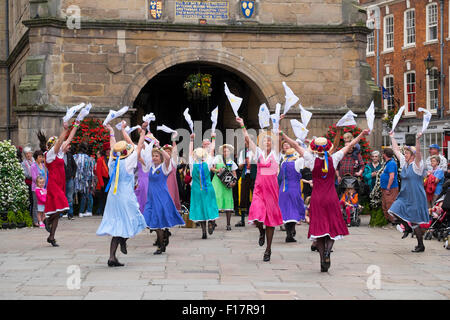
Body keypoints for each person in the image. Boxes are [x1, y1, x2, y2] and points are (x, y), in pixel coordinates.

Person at [281, 128, 370, 272]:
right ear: (328, 148)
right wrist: (361, 134)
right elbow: (349, 145)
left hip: (316, 198)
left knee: (319, 229)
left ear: (315, 149)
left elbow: (296, 146)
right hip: (331, 198)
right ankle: (328, 251)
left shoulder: (310, 159)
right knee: (332, 227)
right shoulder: (333, 159)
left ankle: (322, 257)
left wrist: (282, 134)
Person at [96, 122, 147, 267]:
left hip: (113, 197)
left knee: (118, 224)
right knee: (135, 220)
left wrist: (112, 131)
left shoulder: (112, 160)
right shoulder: (129, 161)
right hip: (125, 196)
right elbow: (138, 148)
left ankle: (112, 257)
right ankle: (124, 240)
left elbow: (113, 146)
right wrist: (142, 132)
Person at [235, 116, 284, 262]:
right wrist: (243, 125)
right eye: (264, 141)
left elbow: (279, 140)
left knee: (270, 221)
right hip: (259, 189)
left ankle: (268, 249)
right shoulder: (258, 153)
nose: (267, 142)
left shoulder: (276, 154)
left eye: (269, 140)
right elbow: (248, 140)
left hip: (272, 191)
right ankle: (261, 232)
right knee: (256, 214)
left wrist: (278, 123)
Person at [139, 124, 185, 255]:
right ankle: (164, 235)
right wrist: (143, 134)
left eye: (156, 156)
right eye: (153, 156)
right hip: (151, 198)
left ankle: (160, 245)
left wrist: (158, 147)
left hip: (162, 197)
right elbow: (139, 156)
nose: (154, 158)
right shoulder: (149, 167)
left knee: (158, 222)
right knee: (147, 221)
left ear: (160, 158)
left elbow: (169, 158)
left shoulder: (165, 168)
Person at [38, 120, 80, 247]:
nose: (64, 145)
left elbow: (68, 139)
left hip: (60, 184)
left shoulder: (60, 153)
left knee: (57, 213)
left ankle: (51, 237)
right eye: (58, 143)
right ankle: (46, 220)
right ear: (53, 145)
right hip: (54, 185)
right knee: (64, 206)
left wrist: (77, 124)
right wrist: (65, 129)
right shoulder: (49, 154)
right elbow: (61, 141)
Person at [388, 132, 429, 252]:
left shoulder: (417, 166)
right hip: (405, 195)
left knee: (415, 221)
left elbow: (419, 154)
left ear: (412, 155)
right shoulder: (404, 163)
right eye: (404, 153)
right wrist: (392, 136)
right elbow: (395, 150)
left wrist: (417, 139)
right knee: (393, 211)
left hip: (416, 196)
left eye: (407, 153)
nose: (404, 155)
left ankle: (420, 245)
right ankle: (406, 227)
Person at [188, 133, 219, 239]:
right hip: (208, 188)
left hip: (196, 189)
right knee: (210, 205)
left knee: (200, 208)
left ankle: (204, 231)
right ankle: (211, 222)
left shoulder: (192, 163)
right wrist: (213, 138)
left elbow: (189, 152)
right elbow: (212, 149)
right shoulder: (208, 161)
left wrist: (191, 140)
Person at [278, 147, 305, 242]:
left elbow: (280, 177)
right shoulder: (297, 162)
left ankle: (288, 233)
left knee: (286, 211)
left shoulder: (283, 163)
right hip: (294, 188)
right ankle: (291, 231)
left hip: (283, 189)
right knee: (294, 210)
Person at [211, 144, 238, 231]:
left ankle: (228, 224)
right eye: (224, 151)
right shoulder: (217, 158)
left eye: (227, 151)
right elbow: (212, 168)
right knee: (215, 200)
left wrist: (234, 182)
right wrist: (217, 170)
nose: (226, 152)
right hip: (217, 182)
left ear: (230, 152)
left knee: (227, 201)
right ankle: (213, 222)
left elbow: (234, 174)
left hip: (226, 184)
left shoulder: (231, 161)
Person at [235, 136, 257, 227]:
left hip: (255, 176)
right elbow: (239, 167)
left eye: (248, 141)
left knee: (256, 198)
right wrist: (243, 163)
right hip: (245, 176)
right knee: (243, 197)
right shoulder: (242, 152)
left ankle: (257, 219)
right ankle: (242, 219)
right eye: (245, 141)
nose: (246, 143)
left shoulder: (257, 151)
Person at [74, 143, 95, 217]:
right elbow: (91, 170)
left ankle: (70, 212)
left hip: (76, 179)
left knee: (74, 194)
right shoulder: (89, 158)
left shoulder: (75, 157)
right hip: (87, 179)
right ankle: (84, 211)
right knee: (86, 194)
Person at [162, 131, 182, 211]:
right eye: (165, 151)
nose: (167, 152)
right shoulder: (160, 162)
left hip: (171, 183)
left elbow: (175, 152)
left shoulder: (173, 161)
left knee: (171, 198)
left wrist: (174, 140)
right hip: (162, 183)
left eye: (169, 151)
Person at [380, 147, 399, 224]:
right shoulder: (388, 163)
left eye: (383, 153)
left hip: (391, 188)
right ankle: (389, 220)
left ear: (385, 154)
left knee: (390, 204)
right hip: (385, 188)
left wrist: (388, 188)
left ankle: (394, 221)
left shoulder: (391, 163)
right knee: (385, 205)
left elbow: (392, 177)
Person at [30, 150, 48, 227]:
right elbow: (34, 178)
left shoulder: (43, 165)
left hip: (43, 188)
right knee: (36, 204)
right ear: (36, 158)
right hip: (36, 188)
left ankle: (42, 220)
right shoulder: (33, 166)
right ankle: (35, 221)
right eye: (40, 157)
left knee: (43, 204)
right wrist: (40, 183)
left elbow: (46, 175)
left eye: (42, 157)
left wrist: (44, 184)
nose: (41, 158)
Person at [21, 146, 36, 225]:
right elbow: (26, 174)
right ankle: (30, 217)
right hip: (28, 183)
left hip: (36, 183)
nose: (28, 155)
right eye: (26, 154)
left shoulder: (35, 161)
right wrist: (34, 176)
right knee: (30, 200)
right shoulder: (23, 163)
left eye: (29, 153)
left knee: (35, 201)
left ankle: (35, 217)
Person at [64, 144, 77, 220]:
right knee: (61, 196)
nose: (68, 148)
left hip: (69, 179)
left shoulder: (69, 155)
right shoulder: (59, 155)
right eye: (67, 146)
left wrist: (73, 175)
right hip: (61, 179)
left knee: (69, 197)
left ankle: (70, 214)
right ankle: (61, 213)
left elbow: (74, 166)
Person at [95, 149, 109, 215]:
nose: (108, 151)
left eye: (109, 150)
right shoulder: (100, 160)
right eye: (107, 150)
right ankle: (104, 212)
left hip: (111, 180)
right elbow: (98, 172)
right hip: (104, 180)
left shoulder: (113, 159)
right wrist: (101, 182)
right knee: (104, 197)